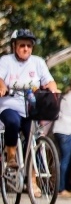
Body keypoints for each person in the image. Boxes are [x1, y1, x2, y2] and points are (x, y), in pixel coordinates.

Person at [0, 29, 59, 173]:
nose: (26, 48)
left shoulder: (38, 62)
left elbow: (49, 81)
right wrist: (2, 87)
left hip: (31, 109)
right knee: (13, 122)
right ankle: (11, 156)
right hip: (10, 106)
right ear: (14, 46)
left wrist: (53, 89)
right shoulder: (6, 61)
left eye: (29, 45)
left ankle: (32, 177)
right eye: (22, 45)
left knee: (33, 137)